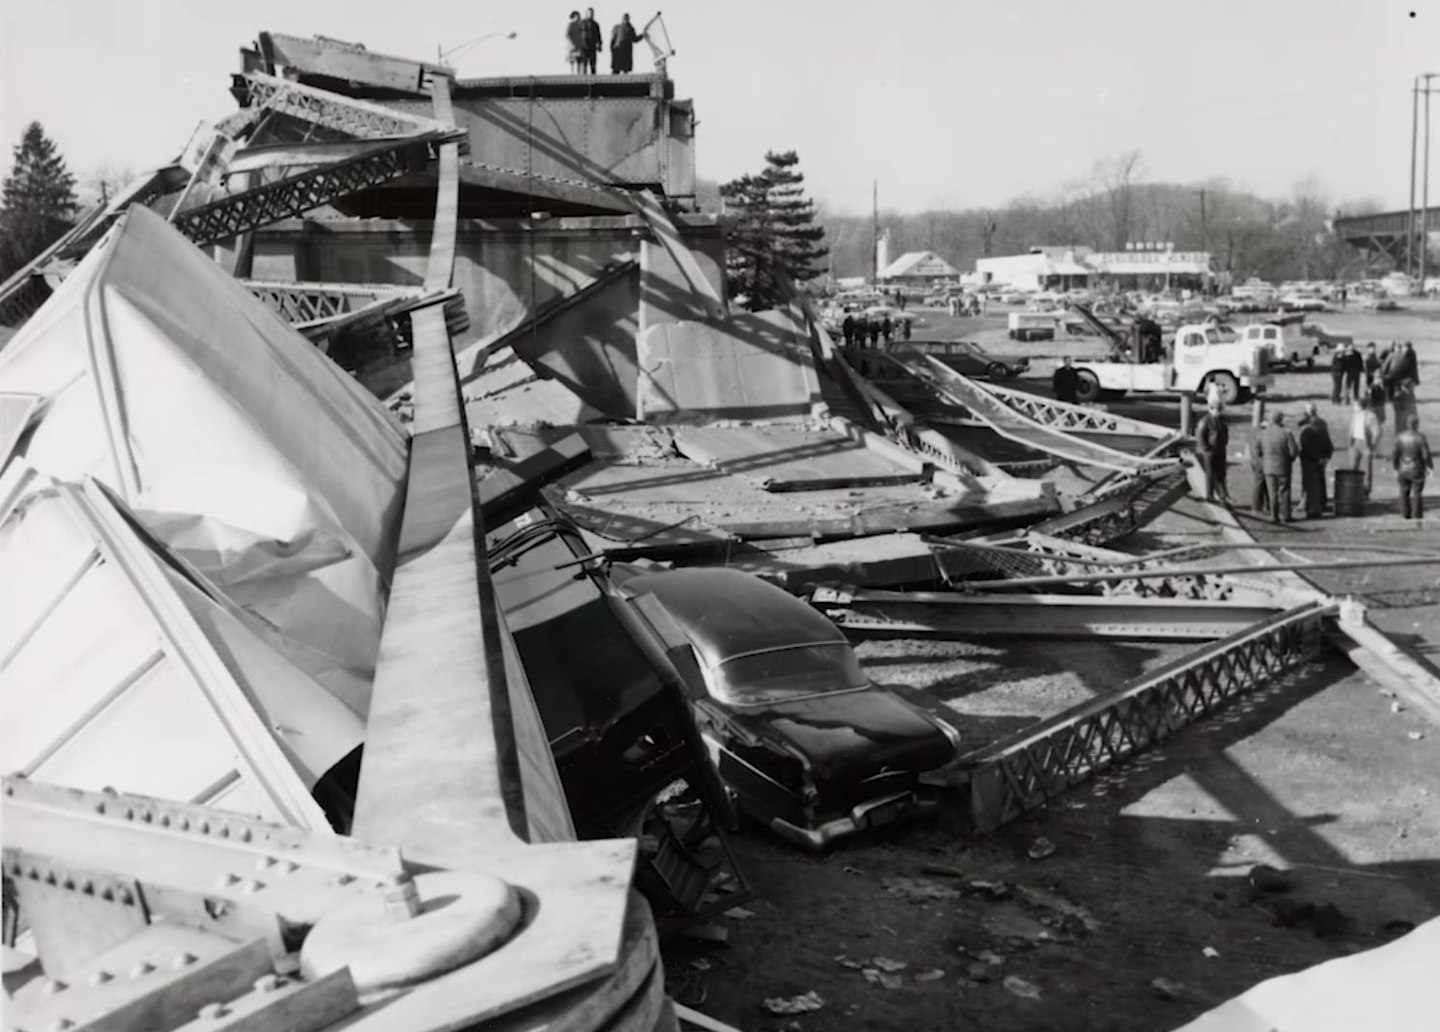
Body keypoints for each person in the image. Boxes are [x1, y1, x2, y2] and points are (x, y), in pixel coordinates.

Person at [1257, 411, 1299, 524]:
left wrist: (1264, 460)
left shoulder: (1263, 433)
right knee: (1285, 491)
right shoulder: (1286, 433)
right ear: (1281, 420)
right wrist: (1290, 459)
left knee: (1272, 493)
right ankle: (1286, 515)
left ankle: (1274, 516)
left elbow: (1258, 450)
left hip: (1269, 467)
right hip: (1283, 466)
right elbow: (1294, 450)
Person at [1393, 413, 1433, 520]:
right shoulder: (1421, 438)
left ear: (1407, 424)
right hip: (1417, 468)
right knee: (1417, 492)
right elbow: (1425, 454)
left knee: (1403, 491)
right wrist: (1429, 467)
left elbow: (1395, 454)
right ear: (1417, 424)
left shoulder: (1400, 437)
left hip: (1402, 468)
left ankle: (1405, 513)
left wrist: (1395, 467)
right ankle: (1417, 514)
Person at [1297, 402, 1334, 518]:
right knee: (1320, 481)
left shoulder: (1307, 429)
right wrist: (1326, 457)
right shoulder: (1322, 424)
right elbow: (1329, 443)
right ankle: (1322, 502)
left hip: (1310, 460)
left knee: (1309, 484)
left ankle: (1309, 505)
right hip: (1322, 458)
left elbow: (1305, 446)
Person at [1195, 400, 1231, 504]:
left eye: (1220, 410)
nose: (1218, 412)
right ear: (1210, 408)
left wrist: (1225, 442)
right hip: (1210, 452)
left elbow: (1225, 432)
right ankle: (1210, 495)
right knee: (1210, 474)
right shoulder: (1205, 421)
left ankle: (1222, 495)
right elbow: (1200, 436)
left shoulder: (1220, 420)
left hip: (1220, 450)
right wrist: (1207, 449)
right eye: (1216, 409)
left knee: (1221, 473)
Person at [1348, 396, 1382, 498]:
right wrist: (1350, 442)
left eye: (1355, 405)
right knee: (1353, 468)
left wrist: (1372, 444)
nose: (1353, 407)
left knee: (1367, 470)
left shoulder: (1371, 416)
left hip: (1366, 444)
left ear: (1360, 406)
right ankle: (1354, 490)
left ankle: (1366, 492)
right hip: (1355, 443)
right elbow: (1352, 429)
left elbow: (1377, 432)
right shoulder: (1355, 415)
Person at [1249, 416, 1270, 514]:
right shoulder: (1262, 436)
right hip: (1260, 462)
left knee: (1261, 484)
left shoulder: (1256, 434)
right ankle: (1257, 506)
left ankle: (1262, 505)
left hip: (1256, 462)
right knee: (1260, 484)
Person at [578, 7, 602, 73]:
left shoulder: (595, 24)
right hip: (584, 46)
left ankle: (594, 80)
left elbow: (598, 35)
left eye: (592, 13)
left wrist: (599, 45)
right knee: (584, 64)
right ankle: (583, 80)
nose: (591, 14)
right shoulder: (582, 23)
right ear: (586, 13)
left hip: (592, 46)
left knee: (593, 64)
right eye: (589, 13)